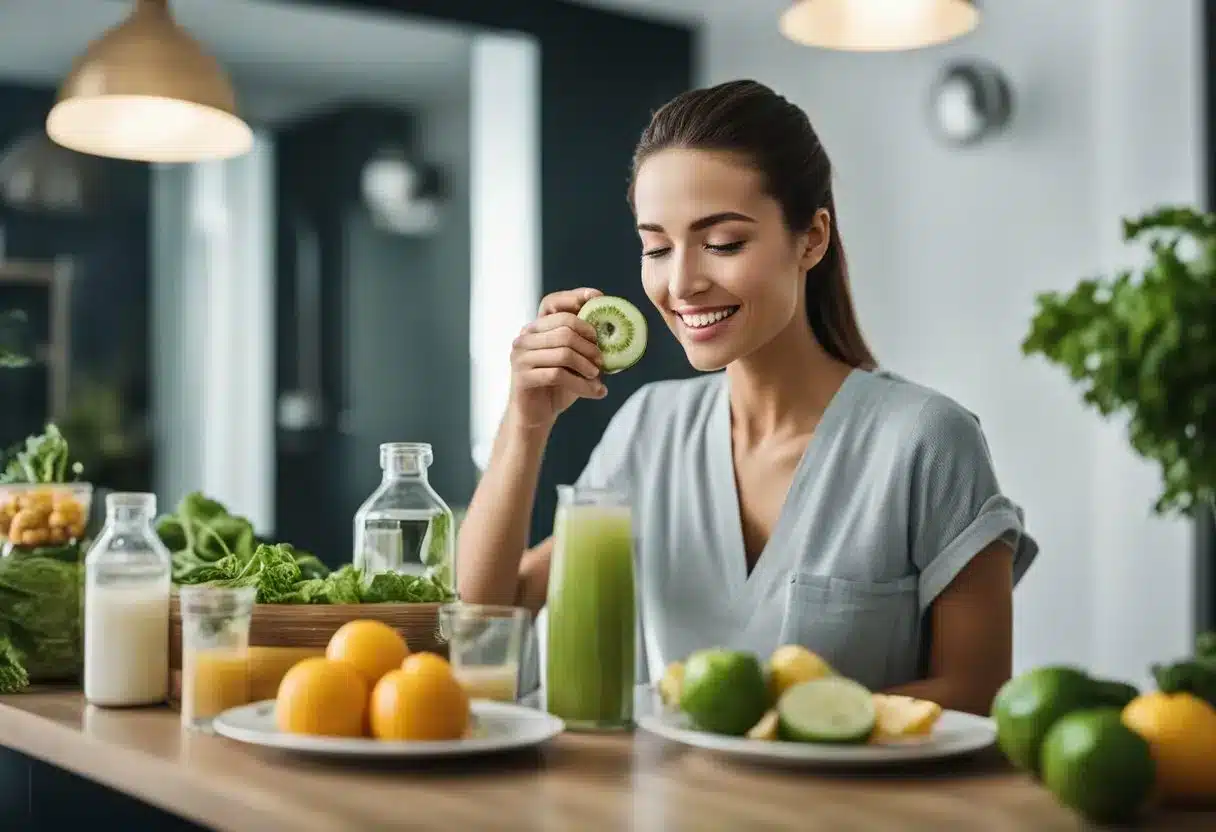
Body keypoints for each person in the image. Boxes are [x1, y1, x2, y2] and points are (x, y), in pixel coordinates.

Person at [456, 79, 1038, 716]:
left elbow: (977, 695)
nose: (681, 283)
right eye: (656, 247)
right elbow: (488, 620)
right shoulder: (651, 428)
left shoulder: (927, 440)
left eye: (723, 243)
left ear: (811, 239)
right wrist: (524, 422)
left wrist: (764, 732)